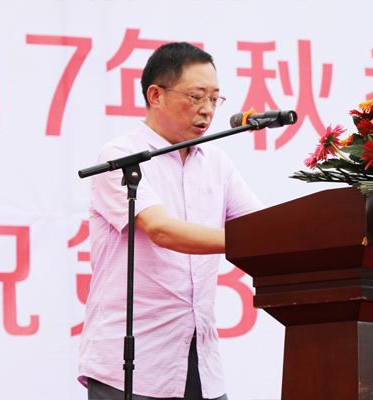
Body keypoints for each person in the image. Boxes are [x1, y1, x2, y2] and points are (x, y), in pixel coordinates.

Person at [78, 42, 263, 400]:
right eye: (196, 96)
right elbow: (160, 229)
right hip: (132, 363)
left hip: (199, 359)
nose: (207, 109)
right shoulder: (120, 157)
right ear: (156, 95)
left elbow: (262, 226)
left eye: (214, 98)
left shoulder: (217, 163)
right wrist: (247, 242)